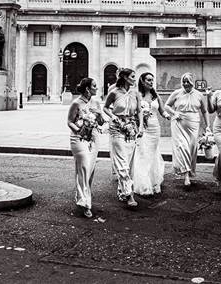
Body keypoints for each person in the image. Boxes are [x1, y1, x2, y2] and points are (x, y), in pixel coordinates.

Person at [103, 68, 143, 207]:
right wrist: (114, 118)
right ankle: (130, 194)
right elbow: (106, 107)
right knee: (122, 163)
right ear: (125, 78)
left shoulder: (136, 93)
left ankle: (122, 191)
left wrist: (141, 127)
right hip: (116, 129)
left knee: (129, 163)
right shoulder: (114, 92)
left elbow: (139, 111)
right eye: (132, 76)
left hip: (131, 128)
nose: (134, 78)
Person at [67, 77, 104, 218]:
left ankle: (82, 193)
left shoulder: (96, 102)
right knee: (83, 167)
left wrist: (100, 114)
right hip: (78, 138)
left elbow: (100, 123)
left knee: (90, 169)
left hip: (93, 138)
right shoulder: (76, 103)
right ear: (88, 88)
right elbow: (69, 122)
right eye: (94, 85)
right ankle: (85, 203)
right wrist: (79, 130)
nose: (97, 88)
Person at [165, 72, 210, 186]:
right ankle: (186, 176)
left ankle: (190, 171)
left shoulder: (199, 95)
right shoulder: (176, 93)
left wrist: (208, 126)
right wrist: (174, 113)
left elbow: (204, 111)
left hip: (194, 124)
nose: (185, 84)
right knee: (182, 147)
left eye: (188, 81)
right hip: (179, 123)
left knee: (191, 148)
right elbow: (166, 106)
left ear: (192, 82)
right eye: (184, 81)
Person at [130, 72, 167, 196]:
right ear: (142, 81)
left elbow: (162, 111)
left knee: (153, 154)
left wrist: (170, 116)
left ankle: (154, 181)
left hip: (155, 128)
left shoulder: (155, 96)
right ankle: (143, 184)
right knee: (143, 154)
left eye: (152, 80)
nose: (151, 82)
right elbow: (133, 112)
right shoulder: (137, 95)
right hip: (143, 129)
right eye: (148, 80)